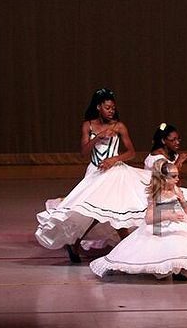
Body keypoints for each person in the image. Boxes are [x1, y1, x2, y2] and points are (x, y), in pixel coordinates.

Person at [35, 88, 150, 263]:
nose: (111, 111)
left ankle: (125, 247)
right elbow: (84, 151)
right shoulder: (88, 125)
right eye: (107, 107)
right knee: (94, 211)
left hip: (116, 173)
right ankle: (82, 243)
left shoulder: (119, 126)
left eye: (112, 108)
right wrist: (99, 136)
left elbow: (132, 152)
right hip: (96, 173)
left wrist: (115, 159)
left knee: (115, 209)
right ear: (98, 107)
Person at [89, 159, 187, 280]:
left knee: (182, 244)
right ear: (164, 178)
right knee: (159, 251)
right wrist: (168, 215)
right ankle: (164, 271)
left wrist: (183, 201)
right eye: (174, 176)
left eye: (177, 176)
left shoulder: (176, 190)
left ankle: (181, 271)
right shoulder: (155, 194)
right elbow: (148, 218)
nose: (177, 179)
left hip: (176, 226)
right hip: (159, 227)